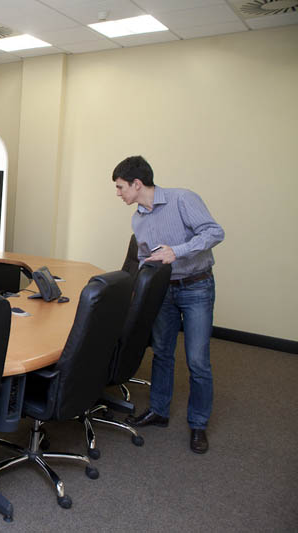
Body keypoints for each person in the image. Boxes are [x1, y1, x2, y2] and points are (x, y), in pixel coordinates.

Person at [112, 155, 224, 454]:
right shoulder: (137, 219)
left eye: (121, 187)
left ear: (137, 184)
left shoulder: (182, 199)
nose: (118, 193)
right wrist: (136, 290)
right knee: (162, 352)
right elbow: (144, 259)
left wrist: (178, 250)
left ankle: (198, 423)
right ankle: (159, 411)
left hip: (197, 286)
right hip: (164, 291)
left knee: (197, 360)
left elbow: (215, 232)